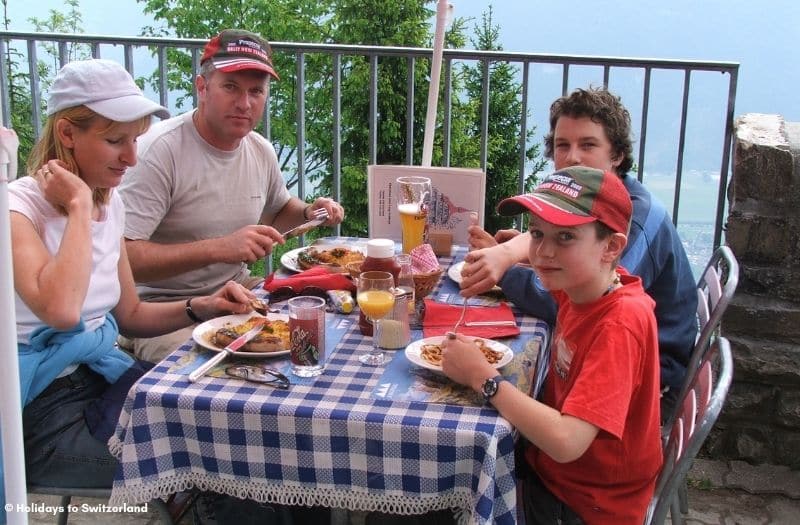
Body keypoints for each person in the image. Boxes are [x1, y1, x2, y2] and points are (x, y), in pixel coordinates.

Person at [6, 59, 260, 509]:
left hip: (100, 377)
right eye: (114, 140)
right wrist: (80, 207)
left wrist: (202, 306)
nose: (132, 156)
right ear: (67, 134)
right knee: (219, 463)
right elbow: (61, 312)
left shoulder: (111, 202)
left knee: (239, 425)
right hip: (36, 410)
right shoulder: (17, 210)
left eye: (135, 139)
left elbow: (131, 316)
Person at [442, 166, 662, 524]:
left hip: (584, 504)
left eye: (565, 238)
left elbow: (565, 441)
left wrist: (482, 376)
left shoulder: (620, 325)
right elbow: (544, 259)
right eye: (537, 233)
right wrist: (512, 250)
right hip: (562, 478)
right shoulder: (588, 286)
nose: (543, 252)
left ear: (612, 246)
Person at [461, 87, 697, 419]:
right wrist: (524, 251)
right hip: (595, 358)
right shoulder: (593, 200)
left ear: (616, 155)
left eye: (588, 145)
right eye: (562, 145)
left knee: (495, 394)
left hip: (651, 378)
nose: (572, 157)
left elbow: (567, 297)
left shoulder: (635, 220)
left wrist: (506, 270)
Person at [118, 29, 345, 363]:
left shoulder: (259, 148)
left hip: (237, 293)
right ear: (202, 87)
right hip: (163, 312)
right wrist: (220, 248)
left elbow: (278, 208)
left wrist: (310, 211)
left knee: (325, 329)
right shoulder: (159, 151)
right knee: (228, 375)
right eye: (231, 87)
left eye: (256, 91)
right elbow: (122, 260)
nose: (244, 103)